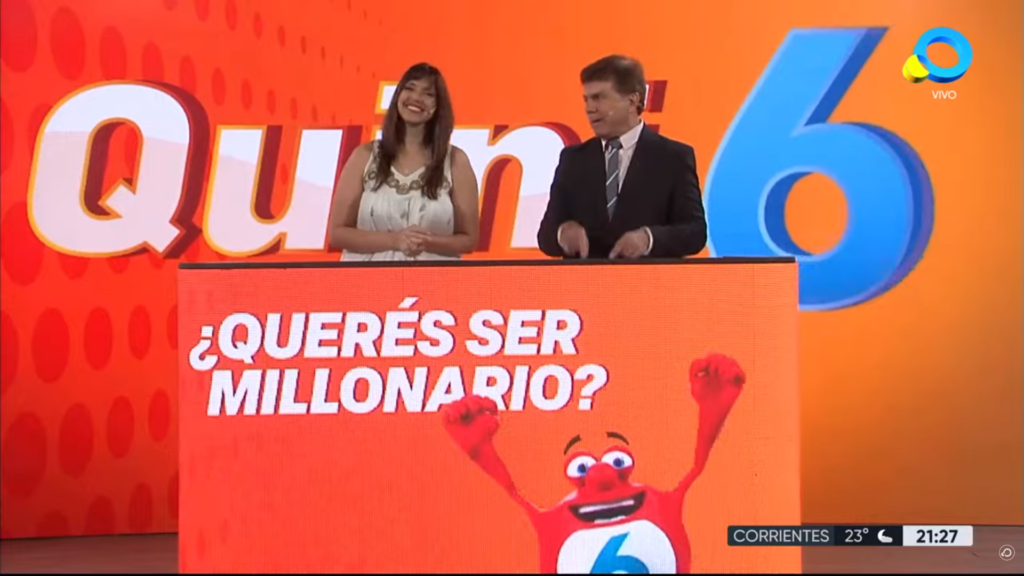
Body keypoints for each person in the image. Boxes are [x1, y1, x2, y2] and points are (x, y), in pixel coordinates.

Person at [537, 55, 707, 259]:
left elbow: (695, 233)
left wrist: (648, 239)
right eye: (586, 99)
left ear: (632, 101)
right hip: (585, 279)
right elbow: (546, 236)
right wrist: (562, 233)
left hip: (648, 278)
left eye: (599, 98)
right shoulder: (573, 160)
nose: (590, 108)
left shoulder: (673, 158)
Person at [328, 63, 479, 260]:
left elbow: (468, 240)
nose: (416, 97)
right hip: (367, 277)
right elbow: (337, 233)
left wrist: (425, 242)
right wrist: (395, 240)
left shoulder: (456, 161)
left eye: (428, 94)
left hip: (432, 278)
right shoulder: (364, 156)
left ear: (438, 106)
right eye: (409, 88)